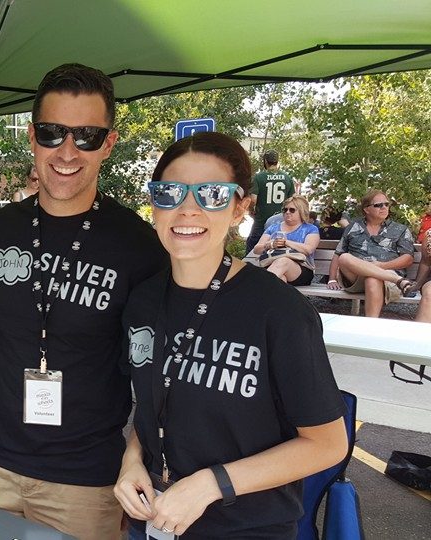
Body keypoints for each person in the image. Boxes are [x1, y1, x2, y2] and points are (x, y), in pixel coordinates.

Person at [0, 63, 167, 540]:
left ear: (108, 143)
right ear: (31, 137)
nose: (67, 151)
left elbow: (154, 371)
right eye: (52, 133)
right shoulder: (0, 229)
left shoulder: (140, 245)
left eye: (85, 135)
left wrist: (137, 461)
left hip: (84, 479)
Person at [116, 131, 348, 539]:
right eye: (170, 192)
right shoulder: (142, 302)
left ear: (241, 207)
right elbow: (154, 402)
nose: (188, 209)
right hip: (151, 519)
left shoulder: (280, 311)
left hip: (247, 528)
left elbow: (327, 444)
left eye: (212, 195)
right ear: (154, 203)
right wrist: (132, 460)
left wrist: (210, 485)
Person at [326, 189, 415, 317]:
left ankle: (370, 326)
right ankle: (399, 281)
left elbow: (407, 259)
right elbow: (338, 254)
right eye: (378, 205)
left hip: (386, 277)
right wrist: (332, 279)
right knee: (345, 257)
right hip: (356, 277)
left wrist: (381, 266)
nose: (384, 207)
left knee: (372, 278)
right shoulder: (353, 227)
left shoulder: (400, 229)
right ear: (366, 209)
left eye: (386, 204)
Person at [253, 195, 320, 286]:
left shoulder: (310, 229)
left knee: (283, 261)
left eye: (292, 210)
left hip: (301, 269)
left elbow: (308, 250)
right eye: (285, 210)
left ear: (301, 211)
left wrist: (285, 242)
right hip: (272, 265)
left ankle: (255, 292)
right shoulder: (273, 228)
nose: (287, 212)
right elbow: (256, 249)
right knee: (281, 280)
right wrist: (271, 244)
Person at [246, 150, 295, 254]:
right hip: (281, 221)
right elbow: (293, 200)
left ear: (265, 161)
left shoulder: (259, 177)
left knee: (252, 245)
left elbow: (253, 199)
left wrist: (251, 210)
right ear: (277, 161)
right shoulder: (287, 178)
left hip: (261, 220)